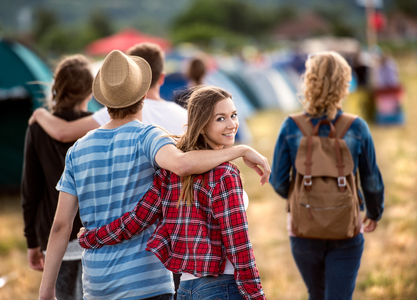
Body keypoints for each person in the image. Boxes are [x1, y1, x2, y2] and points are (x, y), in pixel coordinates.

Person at [38, 50, 270, 300]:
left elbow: (62, 225)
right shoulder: (149, 136)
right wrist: (241, 150)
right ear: (143, 94)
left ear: (103, 100)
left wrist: (47, 290)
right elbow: (182, 165)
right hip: (149, 283)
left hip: (96, 285)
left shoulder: (77, 149)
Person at [270, 51, 384, 300]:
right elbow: (371, 180)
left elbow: (278, 181)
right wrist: (374, 212)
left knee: (317, 294)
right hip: (347, 227)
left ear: (308, 81)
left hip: (303, 229)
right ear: (345, 84)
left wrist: (302, 198)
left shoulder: (291, 126)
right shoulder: (357, 127)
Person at [21, 54, 94, 299]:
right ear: (90, 91)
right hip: (93, 231)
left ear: (56, 88)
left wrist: (32, 241)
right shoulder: (98, 126)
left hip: (52, 234)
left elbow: (30, 190)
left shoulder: (37, 128)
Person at [29, 42, 187, 142]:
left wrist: (40, 113)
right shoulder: (184, 116)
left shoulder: (118, 114)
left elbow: (63, 133)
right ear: (162, 78)